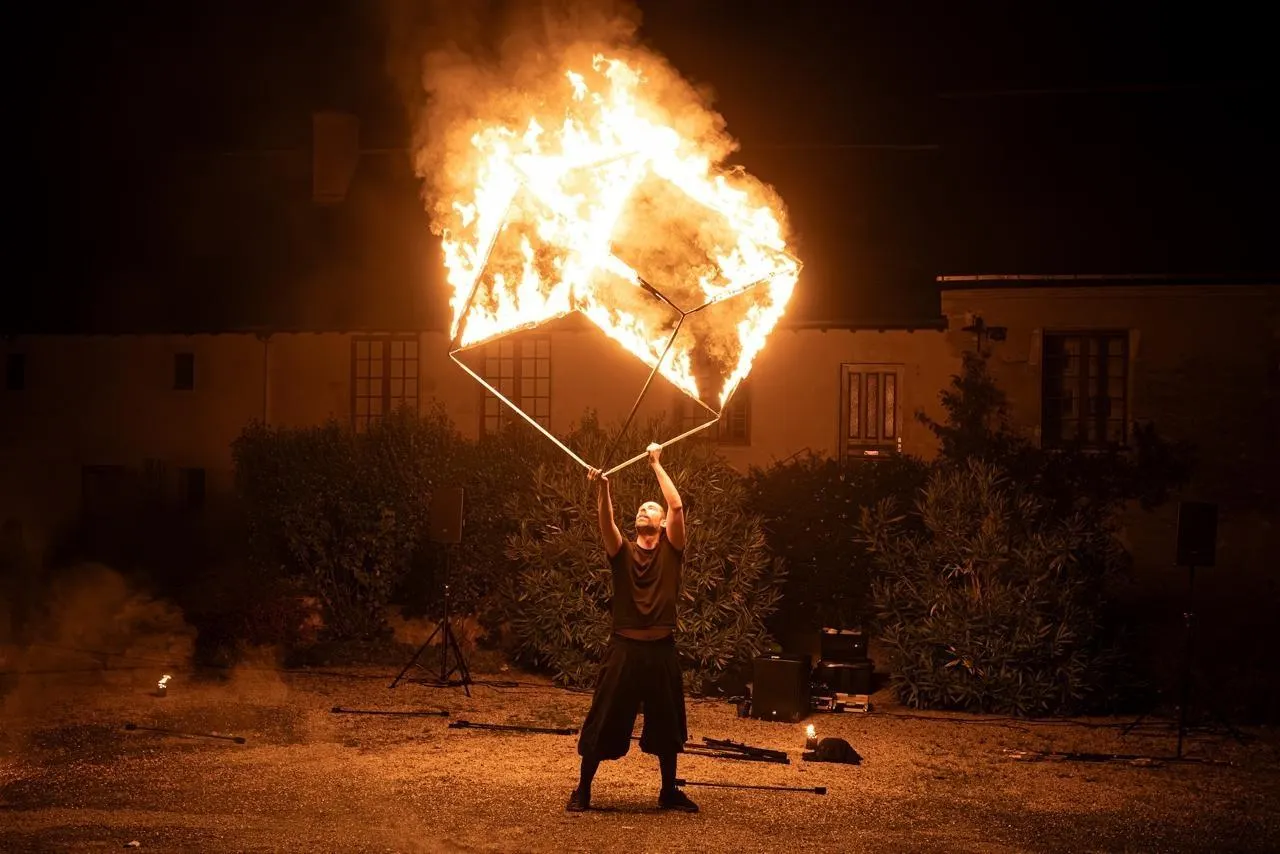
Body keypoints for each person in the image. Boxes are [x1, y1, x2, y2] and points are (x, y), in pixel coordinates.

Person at [566, 443, 699, 813]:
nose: (644, 510)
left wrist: (656, 463)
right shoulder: (621, 551)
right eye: (640, 508)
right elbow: (605, 523)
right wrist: (603, 488)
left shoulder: (672, 549)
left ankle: (668, 792)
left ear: (662, 524)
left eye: (651, 508)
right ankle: (583, 790)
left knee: (667, 725)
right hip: (624, 649)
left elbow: (676, 506)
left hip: (661, 649)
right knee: (603, 720)